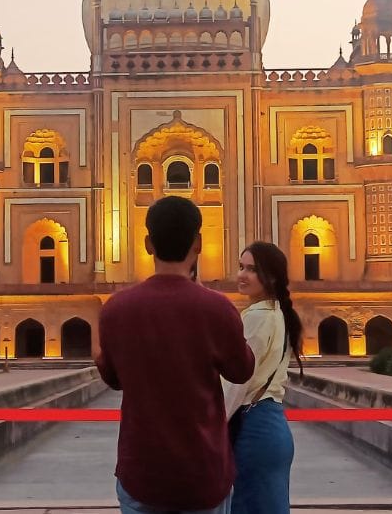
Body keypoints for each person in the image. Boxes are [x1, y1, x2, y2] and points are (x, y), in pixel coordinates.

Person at [97, 196, 255, 513]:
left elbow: (113, 379)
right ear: (197, 243)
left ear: (147, 244)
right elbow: (242, 370)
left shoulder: (116, 309)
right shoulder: (217, 308)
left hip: (142, 471)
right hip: (203, 472)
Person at [222, 241, 305, 514]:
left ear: (270, 277)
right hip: (271, 425)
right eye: (241, 267)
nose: (242, 275)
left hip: (254, 430)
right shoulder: (277, 313)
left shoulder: (257, 317)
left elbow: (237, 382)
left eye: (252, 270)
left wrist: (210, 428)